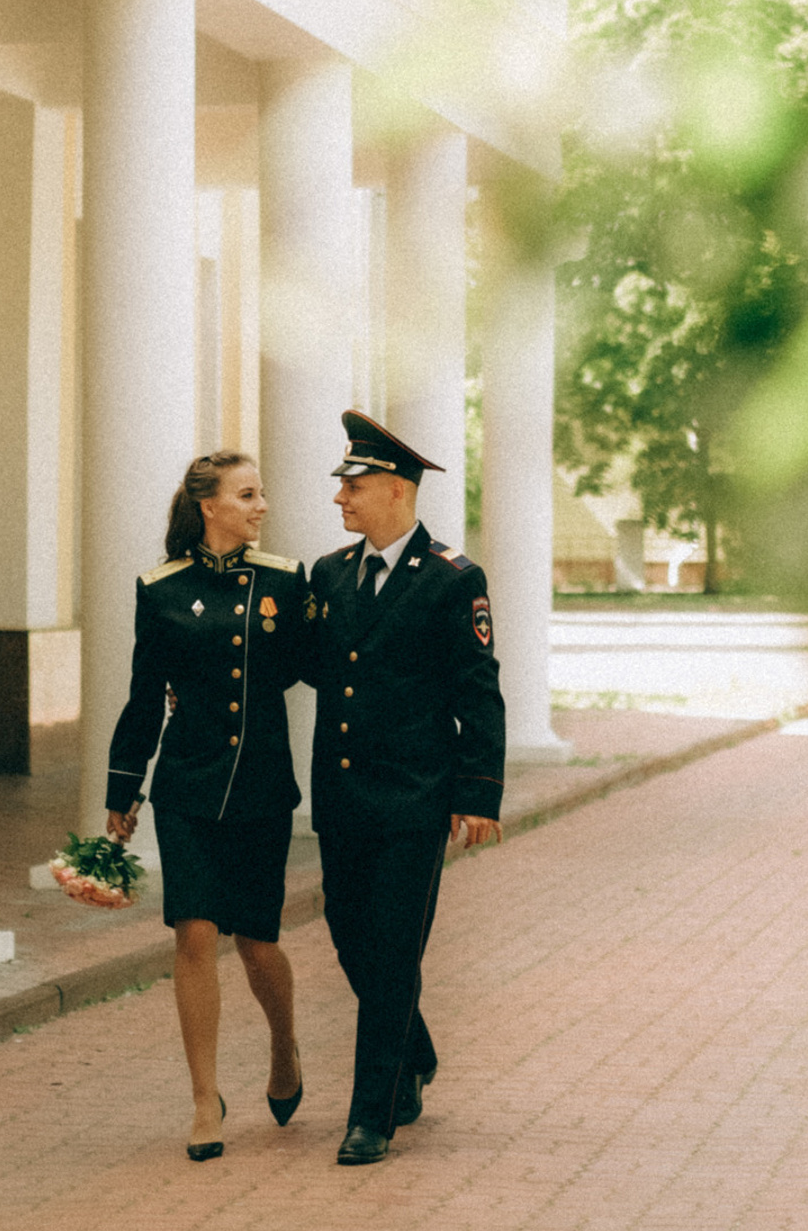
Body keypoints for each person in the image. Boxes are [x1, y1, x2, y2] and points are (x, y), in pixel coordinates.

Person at [306, 409, 506, 1166]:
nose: (340, 500)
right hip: (344, 799)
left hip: (415, 800)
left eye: (352, 486)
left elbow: (477, 692)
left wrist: (477, 793)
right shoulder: (330, 576)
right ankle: (413, 1050)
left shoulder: (453, 581)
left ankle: (374, 1114)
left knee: (392, 954)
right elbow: (302, 661)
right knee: (352, 939)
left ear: (394, 488)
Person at [105, 450, 312, 1161]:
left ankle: (284, 1047)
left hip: (260, 790)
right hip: (188, 787)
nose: (262, 506)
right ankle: (204, 1099)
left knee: (257, 942)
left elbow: (320, 665)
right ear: (209, 506)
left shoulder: (286, 581)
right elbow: (142, 697)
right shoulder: (160, 591)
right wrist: (121, 791)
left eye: (262, 493)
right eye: (248, 495)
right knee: (193, 933)